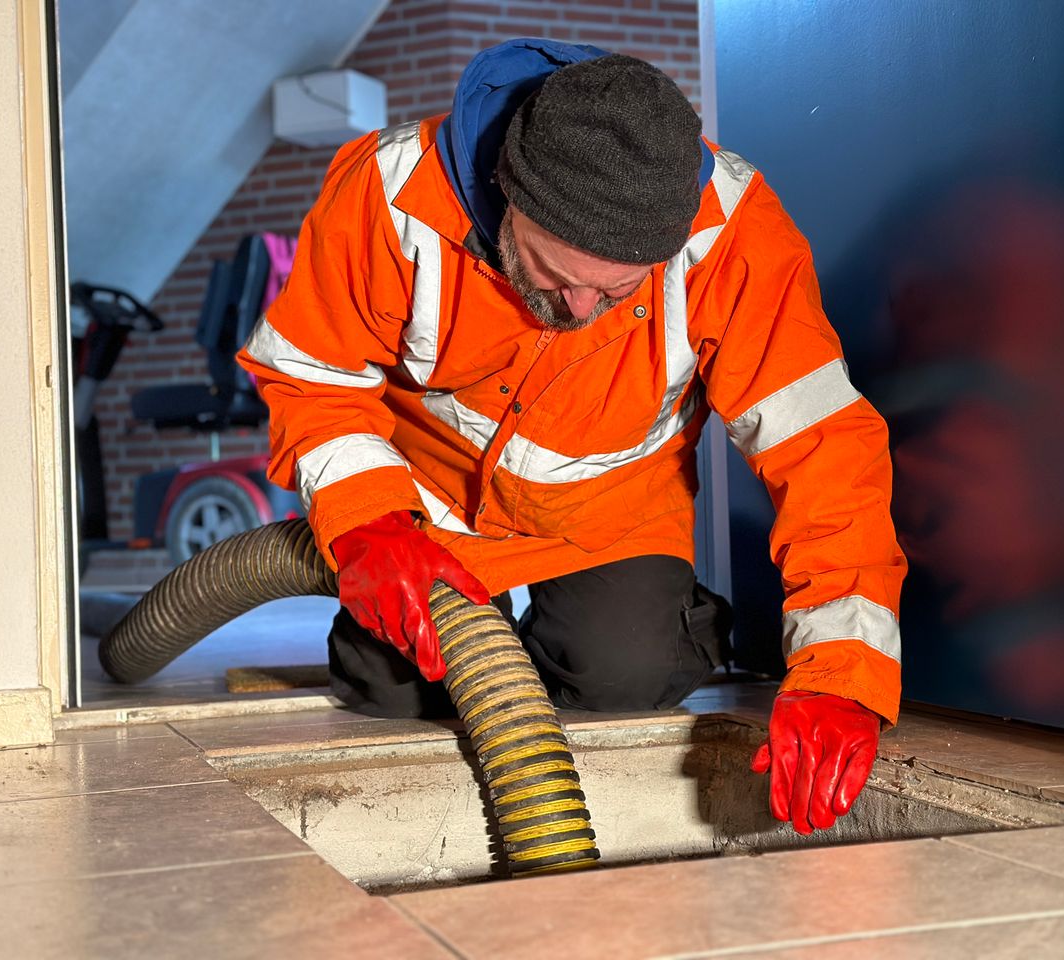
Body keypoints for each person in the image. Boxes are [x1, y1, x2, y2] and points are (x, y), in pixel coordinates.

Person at [238, 39, 906, 835]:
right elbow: (312, 376)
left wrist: (843, 675)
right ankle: (403, 632)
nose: (584, 308)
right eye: (555, 277)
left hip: (609, 512)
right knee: (393, 687)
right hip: (427, 511)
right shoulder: (389, 196)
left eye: (617, 291)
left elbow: (824, 445)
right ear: (507, 194)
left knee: (626, 672)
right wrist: (367, 525)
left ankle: (629, 626)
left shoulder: (732, 236)